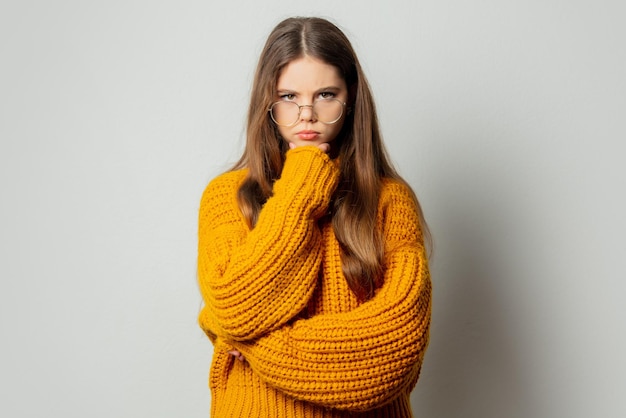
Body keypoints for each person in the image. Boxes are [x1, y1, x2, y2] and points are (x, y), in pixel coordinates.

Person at [197, 16, 432, 417]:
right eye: (289, 96)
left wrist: (248, 339)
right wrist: (304, 182)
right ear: (267, 103)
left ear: (351, 99)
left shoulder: (391, 201)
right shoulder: (226, 197)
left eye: (325, 94)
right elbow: (239, 303)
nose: (306, 113)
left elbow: (396, 349)